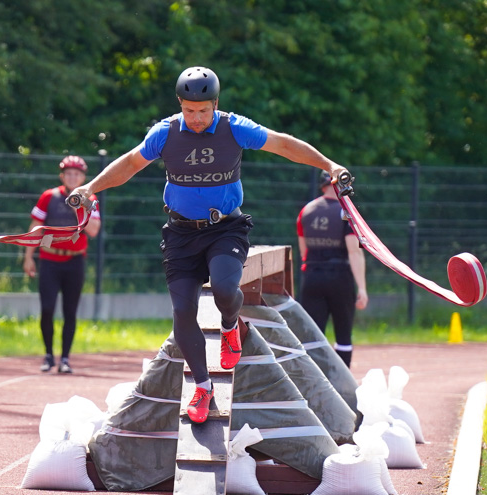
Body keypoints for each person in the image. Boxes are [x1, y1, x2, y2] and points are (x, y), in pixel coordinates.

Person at [69, 66, 351, 423]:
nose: (197, 118)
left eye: (203, 111)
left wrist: (328, 164)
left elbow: (283, 144)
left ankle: (232, 326)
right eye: (189, 111)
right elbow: (129, 164)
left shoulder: (235, 128)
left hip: (225, 229)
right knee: (183, 312)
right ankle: (203, 388)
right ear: (180, 105)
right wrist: (89, 188)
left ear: (215, 104)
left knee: (223, 289)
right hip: (181, 234)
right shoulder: (166, 133)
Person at [23, 155, 101, 373]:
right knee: (47, 309)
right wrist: (28, 257)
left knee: (70, 311)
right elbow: (36, 227)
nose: (72, 177)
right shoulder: (49, 197)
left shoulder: (91, 199)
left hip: (75, 262)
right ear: (62, 176)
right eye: (68, 173)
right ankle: (48, 355)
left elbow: (94, 230)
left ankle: (65, 358)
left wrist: (81, 204)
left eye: (77, 174)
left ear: (83, 177)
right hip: (49, 259)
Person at [296, 170, 368, 367]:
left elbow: (304, 252)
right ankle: (341, 382)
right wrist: (361, 287)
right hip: (339, 277)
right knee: (343, 335)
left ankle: (313, 383)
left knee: (312, 336)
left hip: (312, 276)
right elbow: (354, 252)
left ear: (322, 185)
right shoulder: (346, 212)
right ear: (343, 186)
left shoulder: (306, 211)